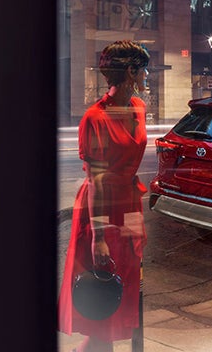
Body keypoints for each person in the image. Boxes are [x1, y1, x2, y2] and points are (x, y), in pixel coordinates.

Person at [58, 40, 150, 352]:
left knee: (127, 275)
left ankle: (96, 347)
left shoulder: (138, 108)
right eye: (144, 70)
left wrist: (135, 225)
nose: (147, 76)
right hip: (101, 206)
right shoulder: (95, 118)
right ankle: (92, 348)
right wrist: (98, 237)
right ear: (131, 72)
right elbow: (96, 181)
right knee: (102, 279)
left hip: (129, 203)